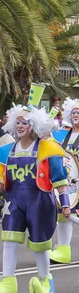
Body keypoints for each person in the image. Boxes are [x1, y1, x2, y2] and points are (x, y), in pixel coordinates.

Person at [0, 98, 68, 293]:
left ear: (33, 126)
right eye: (17, 122)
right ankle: (7, 284)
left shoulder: (47, 149)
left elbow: (59, 179)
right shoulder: (6, 151)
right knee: (9, 241)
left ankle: (45, 282)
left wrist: (65, 203)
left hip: (40, 203)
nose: (20, 126)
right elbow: (0, 182)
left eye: (24, 122)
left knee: (40, 244)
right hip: (14, 202)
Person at [50, 97, 79, 264]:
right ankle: (63, 249)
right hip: (67, 181)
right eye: (73, 112)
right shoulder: (64, 133)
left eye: (78, 112)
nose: (76, 115)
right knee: (64, 213)